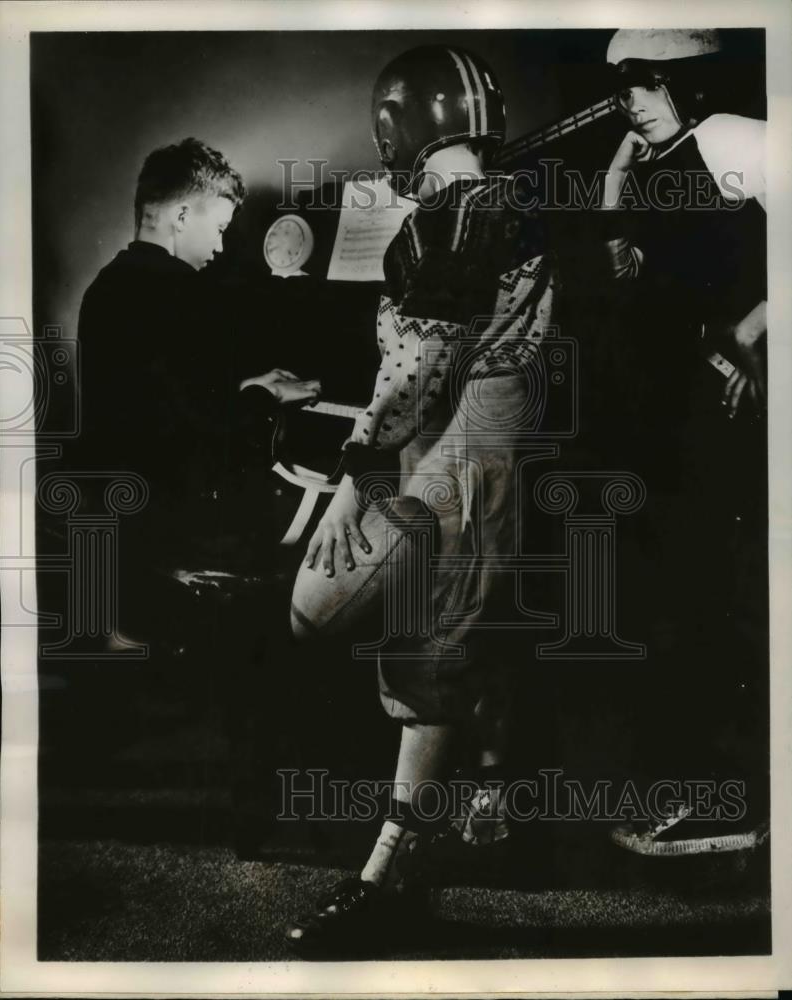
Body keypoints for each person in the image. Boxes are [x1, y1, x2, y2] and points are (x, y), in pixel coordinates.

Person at [284, 46, 559, 952]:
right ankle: (487, 816)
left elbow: (413, 375)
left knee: (420, 657)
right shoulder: (515, 198)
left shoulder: (441, 223)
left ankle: (391, 875)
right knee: (466, 642)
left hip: (451, 456)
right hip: (497, 446)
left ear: (396, 127)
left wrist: (351, 478)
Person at [73, 137, 321, 852]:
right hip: (171, 521)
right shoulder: (175, 294)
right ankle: (269, 815)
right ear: (181, 214)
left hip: (125, 511)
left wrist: (243, 391)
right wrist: (266, 401)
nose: (221, 243)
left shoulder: (114, 285)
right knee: (292, 580)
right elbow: (199, 435)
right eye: (217, 225)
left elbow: (162, 406)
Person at [597, 29, 769, 855]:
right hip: (666, 406)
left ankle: (729, 799)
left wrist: (751, 331)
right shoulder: (658, 163)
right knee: (672, 597)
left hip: (721, 405)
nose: (630, 99)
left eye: (647, 83)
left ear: (690, 85)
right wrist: (613, 178)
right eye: (623, 85)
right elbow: (624, 271)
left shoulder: (732, 137)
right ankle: (691, 784)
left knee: (709, 599)